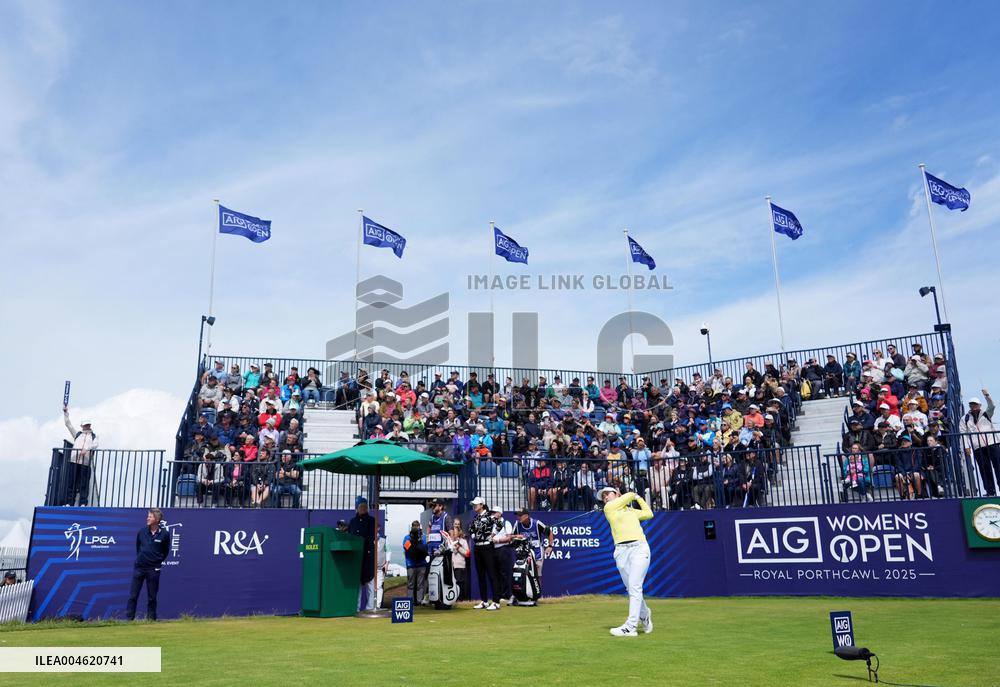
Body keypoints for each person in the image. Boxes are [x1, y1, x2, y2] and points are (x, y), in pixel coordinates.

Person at [596, 485, 653, 637]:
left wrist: (638, 497)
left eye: (607, 494)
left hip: (639, 548)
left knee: (634, 587)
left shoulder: (631, 511)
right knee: (631, 588)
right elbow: (629, 495)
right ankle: (645, 614)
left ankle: (631, 627)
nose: (605, 498)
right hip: (621, 551)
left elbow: (649, 513)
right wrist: (633, 495)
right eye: (603, 497)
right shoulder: (609, 508)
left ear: (617, 494)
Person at [126, 508, 171, 621]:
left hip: (153, 569)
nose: (147, 518)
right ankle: (129, 619)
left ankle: (151, 619)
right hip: (139, 568)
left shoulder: (165, 534)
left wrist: (156, 561)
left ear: (157, 519)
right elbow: (138, 548)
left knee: (152, 597)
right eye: (148, 516)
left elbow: (165, 552)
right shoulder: (141, 532)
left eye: (150, 517)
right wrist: (142, 559)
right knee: (133, 596)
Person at [960, 391, 1000, 496]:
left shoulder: (986, 413)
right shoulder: (965, 418)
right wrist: (966, 446)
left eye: (975, 404)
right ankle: (990, 491)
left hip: (993, 443)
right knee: (984, 470)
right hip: (978, 447)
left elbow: (992, 406)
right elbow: (963, 434)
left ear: (980, 405)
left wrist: (987, 395)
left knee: (998, 466)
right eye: (971, 404)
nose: (973, 406)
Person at [511, 508, 554, 604]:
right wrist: (517, 537)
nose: (518, 517)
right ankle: (521, 595)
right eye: (518, 515)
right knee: (522, 574)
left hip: (537, 552)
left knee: (537, 575)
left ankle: (536, 596)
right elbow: (511, 536)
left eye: (520, 515)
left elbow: (549, 532)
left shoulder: (537, 523)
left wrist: (550, 546)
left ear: (526, 516)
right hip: (524, 553)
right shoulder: (517, 524)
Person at [468, 496, 502, 610]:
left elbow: (500, 524)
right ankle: (484, 601)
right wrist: (473, 535)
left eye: (476, 504)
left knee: (492, 574)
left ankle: (496, 602)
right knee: (481, 575)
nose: (474, 506)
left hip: (487, 547)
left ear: (482, 505)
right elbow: (470, 529)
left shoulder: (489, 516)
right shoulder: (476, 517)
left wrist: (492, 535)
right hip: (478, 547)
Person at [62, 407, 98, 506]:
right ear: (82, 426)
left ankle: (83, 503)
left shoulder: (94, 436)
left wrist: (86, 449)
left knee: (84, 484)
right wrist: (66, 413)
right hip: (74, 461)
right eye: (85, 425)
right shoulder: (77, 434)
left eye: (88, 424)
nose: (87, 426)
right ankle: (69, 502)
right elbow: (68, 424)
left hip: (85, 463)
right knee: (71, 483)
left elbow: (95, 444)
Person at [349, 498, 377, 612]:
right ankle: (356, 608)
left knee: (370, 583)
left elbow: (372, 536)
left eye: (365, 506)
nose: (363, 509)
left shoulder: (372, 521)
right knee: (357, 585)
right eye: (361, 506)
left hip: (368, 556)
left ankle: (370, 608)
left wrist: (361, 541)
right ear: (357, 508)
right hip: (356, 556)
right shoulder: (352, 522)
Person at [403, 520, 429, 605]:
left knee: (420, 584)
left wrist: (419, 540)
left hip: (421, 563)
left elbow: (425, 549)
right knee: (411, 584)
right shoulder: (407, 538)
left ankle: (419, 601)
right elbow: (406, 548)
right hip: (411, 563)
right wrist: (412, 540)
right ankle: (410, 601)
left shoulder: (423, 537)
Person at [448, 520, 471, 601]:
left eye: (456, 531)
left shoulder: (463, 541)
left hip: (460, 566)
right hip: (451, 566)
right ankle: (452, 598)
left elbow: (467, 553)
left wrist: (459, 547)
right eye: (453, 531)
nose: (455, 533)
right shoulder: (449, 541)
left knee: (459, 583)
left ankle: (460, 598)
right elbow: (449, 551)